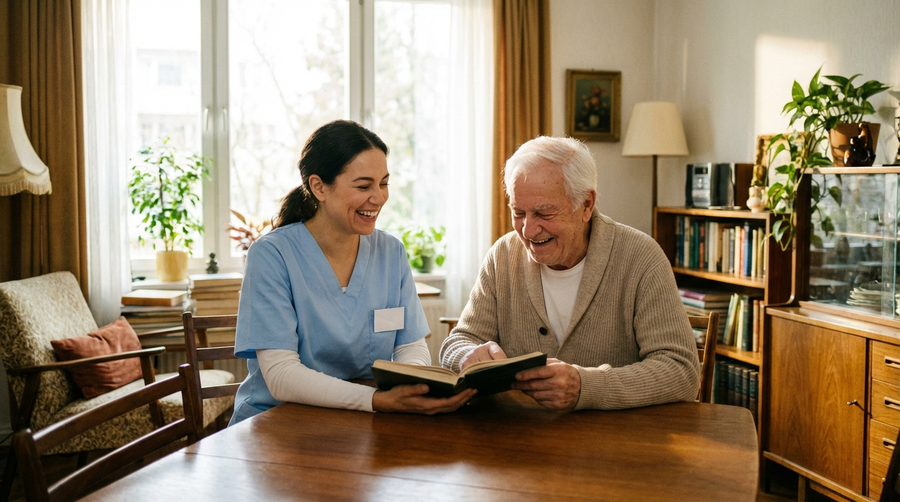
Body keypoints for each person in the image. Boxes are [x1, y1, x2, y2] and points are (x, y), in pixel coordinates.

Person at [230, 120, 475, 425]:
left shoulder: (391, 252)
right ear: (319, 187)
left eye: (384, 183)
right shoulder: (272, 255)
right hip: (278, 425)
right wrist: (375, 400)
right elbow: (281, 376)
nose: (379, 197)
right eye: (363, 186)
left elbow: (410, 344)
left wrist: (413, 385)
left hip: (361, 422)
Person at [439, 136, 700, 411]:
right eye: (519, 212)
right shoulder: (502, 256)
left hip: (615, 443)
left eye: (543, 213)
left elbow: (681, 371)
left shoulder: (640, 257)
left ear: (586, 205)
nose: (527, 230)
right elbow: (457, 342)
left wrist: (585, 386)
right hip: (520, 438)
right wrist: (466, 355)